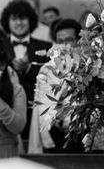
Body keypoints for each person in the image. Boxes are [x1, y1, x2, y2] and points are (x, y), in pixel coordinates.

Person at [0, 0, 52, 142]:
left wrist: (29, 68)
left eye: (22, 18)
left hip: (37, 112)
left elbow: (52, 77)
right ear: (7, 21)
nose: (18, 23)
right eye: (14, 19)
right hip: (5, 110)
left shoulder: (47, 47)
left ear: (31, 20)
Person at [31, 18, 83, 153]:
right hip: (56, 135)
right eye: (60, 42)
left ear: (80, 41)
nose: (64, 46)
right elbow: (40, 110)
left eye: (69, 40)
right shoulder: (47, 70)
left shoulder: (91, 66)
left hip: (84, 136)